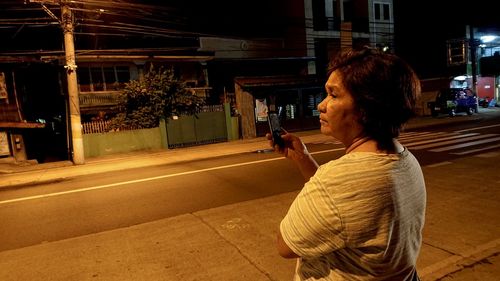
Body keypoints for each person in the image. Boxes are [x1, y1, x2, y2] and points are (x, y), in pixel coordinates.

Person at [267, 47, 426, 280]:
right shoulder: (406, 160)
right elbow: (344, 210)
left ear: (366, 108)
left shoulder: (338, 180)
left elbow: (286, 245)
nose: (321, 105)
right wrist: (303, 158)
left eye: (333, 95)